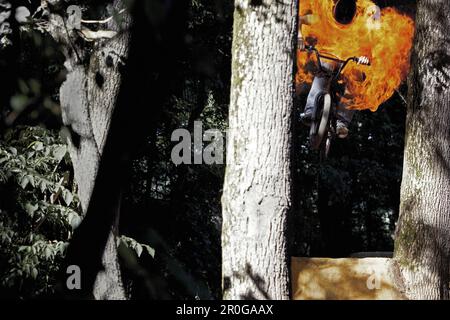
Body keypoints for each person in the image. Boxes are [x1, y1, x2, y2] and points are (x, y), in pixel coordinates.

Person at [298, 1, 380, 139]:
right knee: (323, 70)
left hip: (352, 58)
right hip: (329, 54)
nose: (342, 22)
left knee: (355, 81)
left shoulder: (363, 19)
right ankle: (310, 110)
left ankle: (342, 121)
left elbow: (374, 40)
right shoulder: (325, 15)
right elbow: (300, 20)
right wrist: (300, 37)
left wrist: (366, 57)